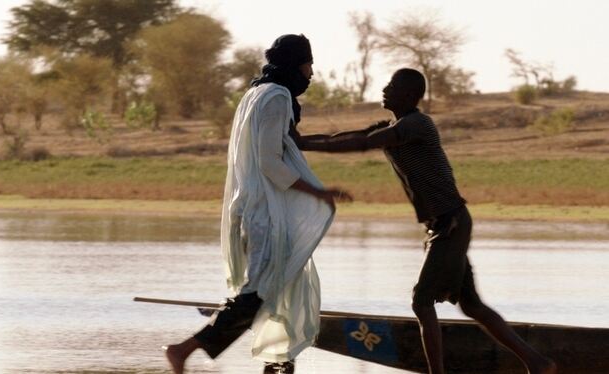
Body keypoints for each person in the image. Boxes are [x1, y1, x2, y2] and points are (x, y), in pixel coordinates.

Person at [296, 68, 557, 374]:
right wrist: (300, 141)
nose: (384, 89)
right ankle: (538, 363)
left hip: (451, 224)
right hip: (445, 224)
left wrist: (304, 144)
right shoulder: (396, 125)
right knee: (471, 305)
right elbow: (351, 137)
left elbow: (364, 143)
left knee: (422, 302)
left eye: (391, 86)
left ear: (408, 95)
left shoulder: (416, 125)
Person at [164, 34, 352, 374]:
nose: (311, 73)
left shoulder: (255, 94)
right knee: (258, 293)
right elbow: (269, 163)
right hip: (265, 214)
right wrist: (319, 192)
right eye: (308, 64)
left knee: (282, 289)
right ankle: (185, 348)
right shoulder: (277, 96)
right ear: (296, 64)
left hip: (257, 209)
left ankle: (277, 366)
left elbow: (279, 147)